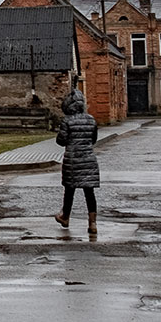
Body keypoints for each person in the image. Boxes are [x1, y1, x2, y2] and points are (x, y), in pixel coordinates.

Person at [55, 88, 100, 229]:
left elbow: (61, 140)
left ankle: (65, 217)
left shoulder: (67, 121)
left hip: (73, 160)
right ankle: (92, 223)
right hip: (88, 158)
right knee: (89, 192)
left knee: (69, 190)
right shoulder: (91, 119)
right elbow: (93, 139)